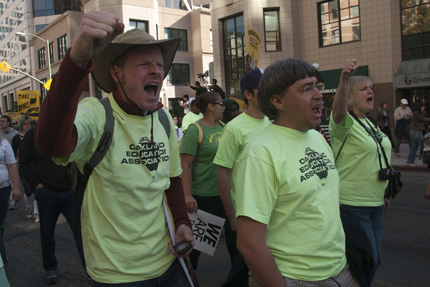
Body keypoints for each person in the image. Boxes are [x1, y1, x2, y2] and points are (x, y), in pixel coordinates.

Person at [34, 11, 193, 286]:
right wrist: (76, 61)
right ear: (116, 73)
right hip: (116, 276)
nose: (157, 70)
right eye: (144, 64)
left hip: (170, 263)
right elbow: (49, 144)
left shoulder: (164, 118)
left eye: (159, 64)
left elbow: (172, 180)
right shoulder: (97, 115)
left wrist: (182, 223)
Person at [234, 59, 358, 286]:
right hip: (293, 277)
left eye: (317, 86)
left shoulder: (317, 137)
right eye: (307, 88)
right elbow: (249, 243)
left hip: (341, 270)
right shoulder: (260, 154)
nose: (319, 95)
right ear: (278, 100)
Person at [330, 59, 391, 286]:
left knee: (372, 259)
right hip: (352, 204)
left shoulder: (371, 123)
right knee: (367, 258)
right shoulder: (343, 123)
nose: (370, 91)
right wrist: (344, 78)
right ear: (351, 96)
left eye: (371, 88)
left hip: (376, 204)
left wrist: (385, 193)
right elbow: (338, 109)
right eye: (364, 88)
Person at [214, 68, 270, 287]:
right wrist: (231, 215)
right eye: (263, 88)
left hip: (274, 213)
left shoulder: (276, 122)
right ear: (248, 94)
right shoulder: (234, 128)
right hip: (246, 215)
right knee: (243, 271)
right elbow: (223, 173)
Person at [19, 128, 85, 285]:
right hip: (47, 193)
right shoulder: (33, 135)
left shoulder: (67, 130)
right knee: (47, 234)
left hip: (69, 192)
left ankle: (90, 269)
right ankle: (50, 268)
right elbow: (23, 162)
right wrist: (37, 185)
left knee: (81, 233)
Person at [180, 92, 236, 270]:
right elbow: (185, 166)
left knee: (235, 243)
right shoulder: (194, 131)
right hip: (204, 198)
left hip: (225, 195)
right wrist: (187, 195)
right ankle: (186, 276)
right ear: (211, 107)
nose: (224, 108)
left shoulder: (223, 127)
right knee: (197, 247)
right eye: (221, 104)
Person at [11, 116, 39, 222]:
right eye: (25, 124)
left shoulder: (35, 136)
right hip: (23, 166)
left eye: (29, 124)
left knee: (36, 189)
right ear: (21, 125)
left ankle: (36, 212)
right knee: (28, 191)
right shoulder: (16, 138)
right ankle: (28, 207)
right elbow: (13, 153)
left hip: (35, 165)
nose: (27, 126)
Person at [0, 136, 21, 268]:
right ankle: (2, 258)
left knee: (1, 224)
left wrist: (16, 187)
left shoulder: (3, 143)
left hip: (3, 189)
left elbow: (12, 165)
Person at [0, 115, 20, 211]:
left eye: (3, 121)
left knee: (11, 180)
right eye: (0, 121)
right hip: (3, 162)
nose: (1, 123)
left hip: (13, 159)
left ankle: (12, 201)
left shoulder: (15, 133)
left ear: (8, 122)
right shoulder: (0, 134)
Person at [406, 101, 427, 165]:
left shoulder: (416, 113)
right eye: (423, 107)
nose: (424, 108)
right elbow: (422, 119)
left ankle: (410, 161)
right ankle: (425, 161)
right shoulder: (416, 113)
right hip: (416, 131)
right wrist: (424, 112)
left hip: (415, 131)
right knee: (423, 146)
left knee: (414, 147)